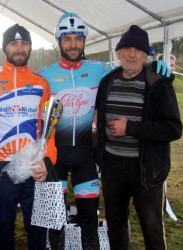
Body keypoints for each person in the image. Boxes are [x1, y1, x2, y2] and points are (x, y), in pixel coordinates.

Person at [94, 25, 183, 250]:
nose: (131, 54)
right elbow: (99, 120)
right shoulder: (107, 82)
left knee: (152, 231)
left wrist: (131, 128)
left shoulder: (159, 84)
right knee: (115, 228)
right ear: (118, 53)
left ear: (146, 55)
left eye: (137, 50)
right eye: (126, 49)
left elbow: (172, 129)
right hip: (112, 167)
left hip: (146, 170)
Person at [0, 24, 57, 250]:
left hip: (34, 163)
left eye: (24, 43)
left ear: (30, 47)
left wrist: (48, 160)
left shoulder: (41, 82)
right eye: (13, 43)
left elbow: (49, 127)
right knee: (3, 224)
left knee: (37, 225)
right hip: (0, 162)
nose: (19, 49)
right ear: (5, 48)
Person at [37, 12, 113, 249]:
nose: (73, 44)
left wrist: (155, 66)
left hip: (85, 155)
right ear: (59, 42)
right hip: (53, 155)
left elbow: (131, 71)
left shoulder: (101, 69)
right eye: (67, 39)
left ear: (84, 42)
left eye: (78, 39)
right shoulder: (44, 74)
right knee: (54, 222)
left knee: (89, 218)